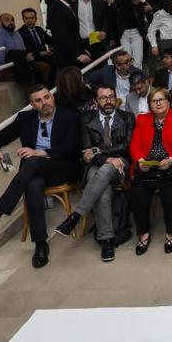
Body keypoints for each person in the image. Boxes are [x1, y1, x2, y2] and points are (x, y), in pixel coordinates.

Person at [0, 85, 80, 268]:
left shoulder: (69, 116)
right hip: (34, 171)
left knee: (32, 163)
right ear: (32, 104)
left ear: (52, 97)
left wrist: (41, 152)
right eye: (38, 100)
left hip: (61, 167)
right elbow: (0, 137)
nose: (45, 102)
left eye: (47, 97)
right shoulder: (25, 119)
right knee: (33, 184)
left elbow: (71, 148)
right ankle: (40, 243)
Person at [53, 84, 135, 260]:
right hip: (96, 167)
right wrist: (107, 157)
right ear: (96, 101)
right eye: (103, 98)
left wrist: (99, 151)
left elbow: (127, 148)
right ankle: (107, 241)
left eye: (111, 97)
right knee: (102, 187)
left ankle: (76, 215)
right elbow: (86, 152)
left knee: (105, 170)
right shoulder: (85, 119)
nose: (108, 101)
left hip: (122, 165)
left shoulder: (128, 117)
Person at [128, 87, 172, 256]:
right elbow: (134, 145)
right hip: (147, 167)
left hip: (171, 166)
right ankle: (143, 233)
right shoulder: (143, 120)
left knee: (171, 193)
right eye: (154, 101)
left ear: (168, 102)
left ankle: (171, 232)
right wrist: (141, 161)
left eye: (161, 99)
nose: (158, 103)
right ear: (149, 104)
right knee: (137, 192)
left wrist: (171, 159)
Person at [47, 0, 91, 69]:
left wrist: (82, 50)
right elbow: (62, 36)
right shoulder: (56, 10)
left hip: (74, 54)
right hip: (67, 58)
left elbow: (73, 33)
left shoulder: (66, 6)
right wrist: (77, 54)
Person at [17, 7, 53, 85]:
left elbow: (49, 40)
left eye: (32, 18)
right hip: (32, 59)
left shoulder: (39, 29)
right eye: (26, 18)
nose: (29, 20)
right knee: (46, 66)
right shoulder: (20, 33)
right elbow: (25, 51)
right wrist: (41, 53)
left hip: (45, 56)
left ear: (36, 19)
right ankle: (49, 88)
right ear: (23, 19)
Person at [114, 0, 147, 67]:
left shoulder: (139, 5)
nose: (140, 0)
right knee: (126, 61)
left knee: (138, 60)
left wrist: (144, 33)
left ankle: (138, 78)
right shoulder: (117, 6)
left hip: (136, 33)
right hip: (123, 35)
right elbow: (113, 23)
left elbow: (141, 21)